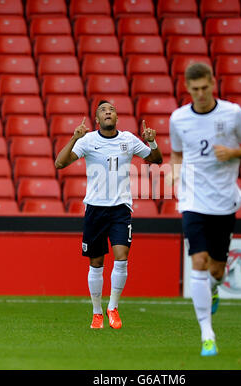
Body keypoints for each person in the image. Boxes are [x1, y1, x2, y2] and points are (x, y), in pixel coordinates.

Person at [168, 63, 241, 356]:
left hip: (224, 200)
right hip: (193, 200)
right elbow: (177, 152)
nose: (201, 94)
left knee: (216, 268)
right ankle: (208, 334)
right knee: (199, 261)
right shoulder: (178, 119)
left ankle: (215, 287)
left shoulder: (232, 113)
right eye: (195, 90)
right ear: (188, 89)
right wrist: (176, 178)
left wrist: (233, 152)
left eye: (205, 87)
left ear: (212, 83)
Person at [55, 100, 162, 329]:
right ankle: (97, 313)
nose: (108, 112)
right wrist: (74, 137)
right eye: (103, 110)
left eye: (111, 109)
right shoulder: (88, 140)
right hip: (95, 208)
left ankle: (113, 307)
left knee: (122, 257)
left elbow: (156, 160)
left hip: (121, 208)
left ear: (116, 117)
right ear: (96, 119)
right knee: (96, 263)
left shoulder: (129, 140)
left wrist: (151, 141)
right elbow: (60, 163)